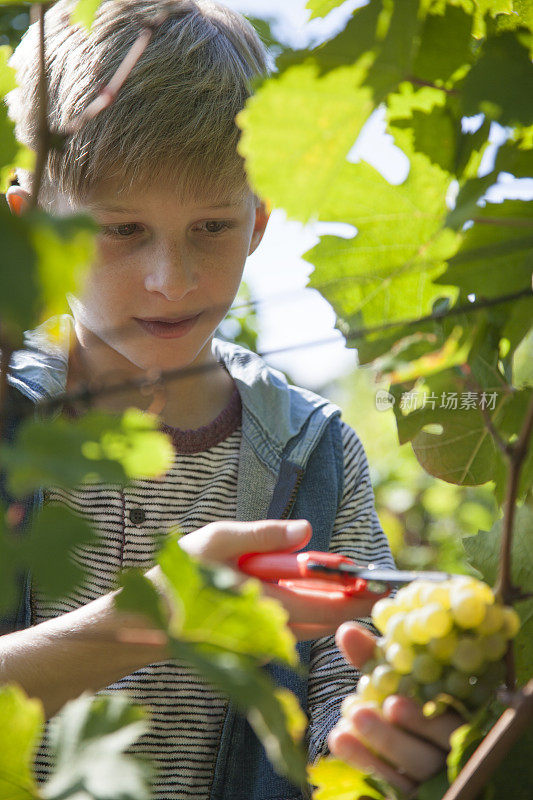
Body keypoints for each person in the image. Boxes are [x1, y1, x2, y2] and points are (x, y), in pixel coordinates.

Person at [0, 1, 459, 798]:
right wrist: (157, 616)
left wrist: (382, 736)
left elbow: (345, 692)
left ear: (258, 220)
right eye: (121, 230)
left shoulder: (312, 451)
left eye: (211, 226)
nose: (170, 280)